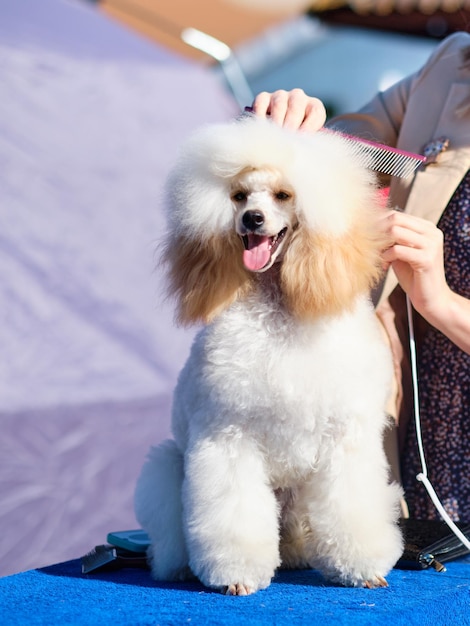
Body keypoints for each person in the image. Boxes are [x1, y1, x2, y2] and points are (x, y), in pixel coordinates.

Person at [250, 31, 470, 523]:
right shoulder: (450, 63)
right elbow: (330, 157)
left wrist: (441, 303)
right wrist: (286, 121)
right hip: (413, 438)